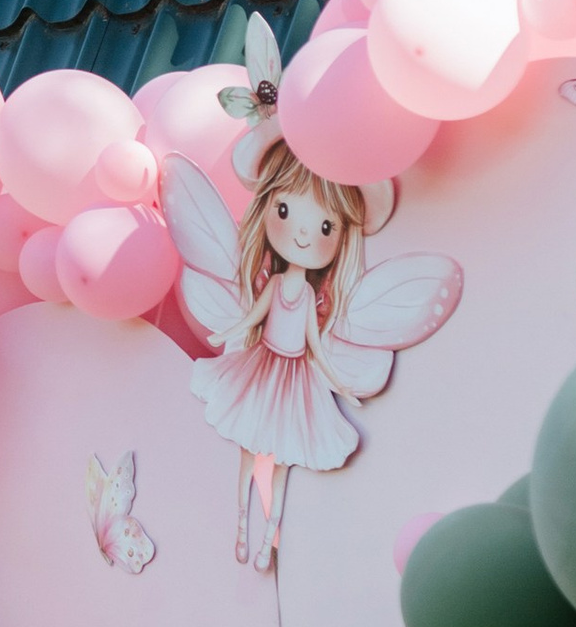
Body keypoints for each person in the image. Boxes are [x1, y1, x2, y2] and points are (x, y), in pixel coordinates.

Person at [162, 132, 459, 569]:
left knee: (280, 458)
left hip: (296, 379)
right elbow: (252, 319)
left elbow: (316, 345)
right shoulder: (278, 285)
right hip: (261, 366)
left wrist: (339, 382)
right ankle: (243, 527)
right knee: (250, 449)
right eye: (285, 210)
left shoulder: (312, 300)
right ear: (267, 207)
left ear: (342, 236)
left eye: (325, 226)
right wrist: (233, 330)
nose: (303, 234)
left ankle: (268, 539)